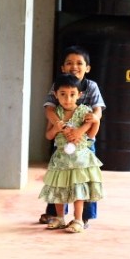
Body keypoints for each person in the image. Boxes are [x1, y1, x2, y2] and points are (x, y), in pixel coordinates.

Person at [39, 45, 106, 228]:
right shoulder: (58, 85)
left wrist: (80, 131)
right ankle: (55, 214)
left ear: (87, 68)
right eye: (69, 63)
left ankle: (84, 217)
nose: (74, 66)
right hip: (62, 141)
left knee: (85, 179)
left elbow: (97, 112)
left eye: (79, 63)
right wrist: (59, 124)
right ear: (63, 67)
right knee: (58, 178)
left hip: (83, 142)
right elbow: (49, 109)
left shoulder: (91, 86)